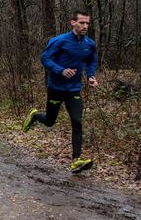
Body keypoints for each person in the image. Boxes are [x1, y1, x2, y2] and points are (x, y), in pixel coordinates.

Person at [22, 11, 98, 174]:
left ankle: (76, 160)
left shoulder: (89, 44)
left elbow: (91, 60)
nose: (85, 26)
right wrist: (61, 70)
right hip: (56, 88)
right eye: (81, 23)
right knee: (50, 121)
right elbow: (45, 58)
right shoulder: (59, 41)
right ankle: (35, 116)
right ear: (73, 23)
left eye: (87, 23)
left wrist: (91, 76)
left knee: (77, 121)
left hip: (74, 90)